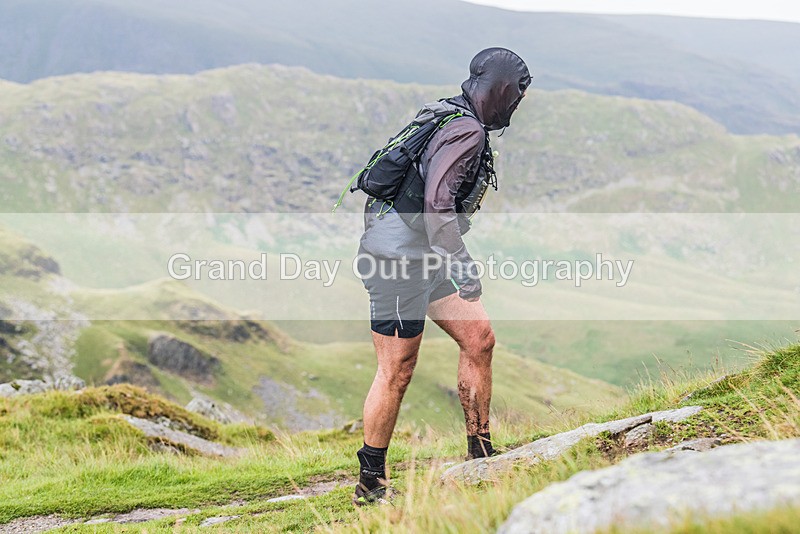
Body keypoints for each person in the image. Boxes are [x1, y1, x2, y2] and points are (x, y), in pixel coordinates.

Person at [352, 47, 531, 505]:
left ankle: (480, 454)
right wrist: (463, 265)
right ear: (501, 90)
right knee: (397, 369)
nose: (515, 105)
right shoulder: (465, 130)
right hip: (398, 262)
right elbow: (437, 204)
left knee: (479, 339)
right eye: (516, 95)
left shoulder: (449, 114)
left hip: (424, 255)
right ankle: (371, 484)